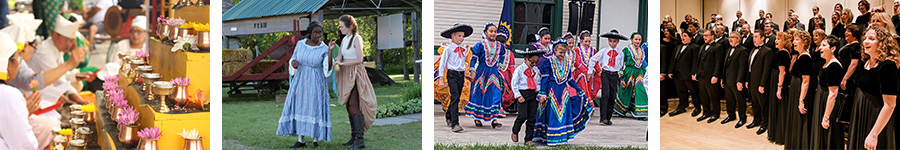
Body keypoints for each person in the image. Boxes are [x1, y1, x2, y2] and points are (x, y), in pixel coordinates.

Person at [276, 21, 335, 149]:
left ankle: (315, 139)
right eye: (315, 33)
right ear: (310, 33)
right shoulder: (301, 44)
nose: (318, 35)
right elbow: (294, 58)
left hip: (316, 81)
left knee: (315, 107)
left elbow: (328, 66)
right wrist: (293, 63)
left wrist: (330, 51)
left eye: (320, 33)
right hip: (301, 79)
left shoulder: (324, 48)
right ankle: (300, 139)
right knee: (300, 106)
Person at [846, 26, 899, 149]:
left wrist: (874, 134)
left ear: (882, 43)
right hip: (860, 115)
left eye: (871, 38)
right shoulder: (866, 62)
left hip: (874, 118)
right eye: (865, 38)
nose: (865, 42)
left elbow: (890, 104)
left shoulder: (887, 66)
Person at [28, 15, 89, 120]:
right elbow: (59, 81)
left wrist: (75, 75)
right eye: (66, 40)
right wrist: (80, 100)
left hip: (46, 87)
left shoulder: (57, 48)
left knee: (77, 83)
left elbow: (61, 74)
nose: (68, 45)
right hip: (34, 91)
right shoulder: (45, 52)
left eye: (71, 41)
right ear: (55, 35)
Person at [334, 15, 378, 149]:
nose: (340, 29)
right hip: (346, 73)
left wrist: (343, 63)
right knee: (348, 106)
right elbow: (340, 55)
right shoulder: (344, 40)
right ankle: (354, 137)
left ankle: (360, 140)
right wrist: (336, 59)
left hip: (355, 73)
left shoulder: (356, 38)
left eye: (342, 26)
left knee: (353, 105)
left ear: (349, 26)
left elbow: (359, 59)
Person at [533, 39, 588, 146]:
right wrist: (543, 93)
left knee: (563, 114)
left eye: (565, 52)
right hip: (552, 90)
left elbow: (569, 79)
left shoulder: (567, 62)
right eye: (560, 52)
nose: (562, 54)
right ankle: (551, 137)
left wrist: (578, 89)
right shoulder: (548, 62)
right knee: (552, 114)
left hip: (563, 91)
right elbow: (545, 78)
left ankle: (561, 137)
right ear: (554, 50)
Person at [0, 32, 42, 150]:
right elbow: (25, 146)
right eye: (17, 58)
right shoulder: (8, 95)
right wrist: (23, 113)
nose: (19, 62)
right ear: (7, 64)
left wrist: (23, 113)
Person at [464, 22, 506, 129]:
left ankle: (494, 119)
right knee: (479, 93)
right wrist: (472, 71)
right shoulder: (480, 45)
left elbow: (503, 55)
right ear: (485, 32)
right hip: (482, 72)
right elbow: (473, 58)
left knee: (495, 93)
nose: (493, 33)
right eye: (491, 31)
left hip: (493, 73)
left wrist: (500, 65)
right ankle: (477, 118)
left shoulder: (500, 46)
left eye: (495, 32)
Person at [435, 23, 473, 133]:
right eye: (459, 35)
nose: (461, 38)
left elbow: (462, 64)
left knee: (456, 98)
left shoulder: (464, 49)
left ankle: (448, 115)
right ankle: (455, 124)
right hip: (451, 75)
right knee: (455, 96)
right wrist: (441, 78)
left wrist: (467, 74)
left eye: (463, 36)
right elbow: (443, 64)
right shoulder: (448, 49)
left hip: (461, 75)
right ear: (453, 36)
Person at [590, 29, 627, 125]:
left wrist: (619, 72)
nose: (612, 43)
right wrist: (591, 70)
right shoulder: (604, 51)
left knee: (612, 95)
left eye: (614, 41)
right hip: (606, 73)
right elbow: (593, 59)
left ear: (618, 42)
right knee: (605, 94)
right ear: (608, 41)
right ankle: (603, 117)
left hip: (614, 75)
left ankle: (608, 117)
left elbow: (621, 64)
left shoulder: (620, 53)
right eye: (610, 41)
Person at [509, 45, 545, 146]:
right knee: (523, 115)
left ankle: (528, 139)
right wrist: (518, 95)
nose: (534, 64)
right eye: (532, 62)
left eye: (536, 62)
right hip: (522, 94)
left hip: (533, 94)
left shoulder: (536, 70)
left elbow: (538, 82)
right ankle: (515, 130)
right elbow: (514, 83)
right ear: (526, 59)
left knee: (532, 117)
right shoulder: (519, 70)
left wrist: (539, 94)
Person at [814, 35, 845, 150]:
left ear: (833, 49)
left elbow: (833, 94)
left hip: (829, 103)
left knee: (829, 136)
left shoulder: (834, 66)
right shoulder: (827, 63)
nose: (820, 48)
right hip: (822, 99)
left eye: (824, 45)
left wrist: (826, 117)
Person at [786, 30, 814, 150]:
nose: (794, 42)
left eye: (797, 40)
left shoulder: (805, 58)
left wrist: (801, 100)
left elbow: (806, 80)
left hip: (800, 90)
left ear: (804, 42)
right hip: (796, 88)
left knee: (800, 118)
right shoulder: (801, 56)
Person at [616, 32, 648, 120]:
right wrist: (621, 70)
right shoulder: (627, 49)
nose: (637, 41)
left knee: (640, 89)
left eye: (639, 40)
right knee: (627, 90)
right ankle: (621, 110)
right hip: (629, 72)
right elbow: (621, 61)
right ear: (632, 39)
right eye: (636, 39)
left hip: (639, 72)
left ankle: (641, 113)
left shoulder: (642, 50)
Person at [666, 32, 699, 117]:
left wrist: (693, 72)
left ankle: (697, 107)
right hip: (677, 73)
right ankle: (682, 106)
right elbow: (673, 60)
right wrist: (670, 71)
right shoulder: (678, 47)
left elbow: (695, 62)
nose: (682, 37)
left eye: (685, 36)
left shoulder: (694, 47)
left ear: (690, 37)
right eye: (682, 36)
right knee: (681, 91)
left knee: (693, 91)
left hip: (688, 73)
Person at [695, 29, 724, 123]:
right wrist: (696, 72)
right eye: (704, 36)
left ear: (712, 36)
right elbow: (699, 61)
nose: (705, 37)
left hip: (711, 76)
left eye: (707, 35)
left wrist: (715, 75)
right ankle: (706, 112)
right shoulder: (702, 46)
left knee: (713, 96)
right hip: (701, 75)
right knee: (703, 95)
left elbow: (718, 63)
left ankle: (715, 113)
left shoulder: (718, 47)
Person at [721, 32, 748, 127]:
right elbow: (725, 66)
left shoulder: (743, 50)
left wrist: (739, 81)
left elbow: (742, 67)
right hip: (728, 79)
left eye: (732, 37)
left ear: (738, 39)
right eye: (729, 37)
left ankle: (742, 118)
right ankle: (731, 115)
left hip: (736, 80)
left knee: (740, 100)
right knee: (729, 99)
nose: (730, 39)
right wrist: (722, 78)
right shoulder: (728, 50)